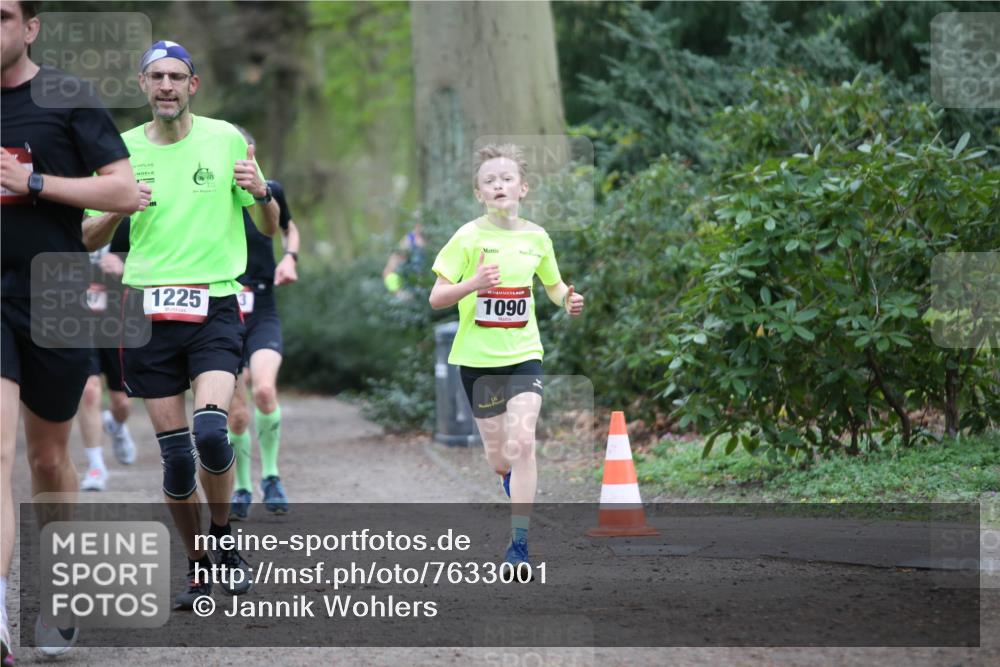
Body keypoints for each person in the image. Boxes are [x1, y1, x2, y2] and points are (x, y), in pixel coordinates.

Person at [82, 39, 279, 611]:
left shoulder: (225, 141)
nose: (166, 86)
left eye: (176, 77)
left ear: (192, 85)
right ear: (142, 86)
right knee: (174, 459)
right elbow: (86, 236)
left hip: (214, 304)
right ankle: (196, 565)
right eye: (156, 77)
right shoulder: (118, 150)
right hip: (144, 312)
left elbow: (267, 224)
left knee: (213, 434)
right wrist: (119, 207)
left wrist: (262, 191)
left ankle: (224, 539)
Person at [1, 1, 141, 661]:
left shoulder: (67, 99)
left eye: (2, 16)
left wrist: (35, 181)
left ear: (29, 28)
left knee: (46, 459)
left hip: (54, 290)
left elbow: (122, 191)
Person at [428, 143, 584, 572]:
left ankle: (519, 545)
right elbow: (437, 296)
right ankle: (513, 485)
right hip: (478, 362)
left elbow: (552, 286)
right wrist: (473, 283)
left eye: (506, 178)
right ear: (479, 193)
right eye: (489, 181)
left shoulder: (537, 237)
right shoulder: (467, 237)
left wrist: (566, 299)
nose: (499, 185)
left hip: (524, 355)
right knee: (500, 460)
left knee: (523, 443)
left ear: (523, 188)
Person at [227, 127, 299, 520]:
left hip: (262, 303)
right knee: (236, 414)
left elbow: (288, 227)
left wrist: (290, 257)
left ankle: (270, 476)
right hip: (221, 307)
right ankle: (241, 485)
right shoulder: (208, 197)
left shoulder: (269, 190)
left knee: (266, 390)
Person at [78, 246, 137, 492]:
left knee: (122, 403)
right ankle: (95, 466)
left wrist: (127, 268)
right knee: (90, 391)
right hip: (77, 323)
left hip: (116, 324)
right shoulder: (67, 217)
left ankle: (116, 424)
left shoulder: (124, 223)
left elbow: (155, 258)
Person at [382, 221, 425, 296]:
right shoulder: (408, 242)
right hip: (410, 292)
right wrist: (399, 293)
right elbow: (388, 272)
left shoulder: (436, 240)